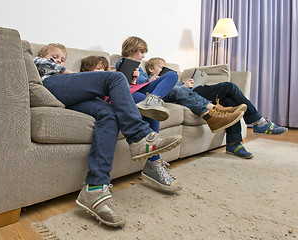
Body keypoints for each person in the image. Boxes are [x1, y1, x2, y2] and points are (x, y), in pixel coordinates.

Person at [34, 43, 183, 228]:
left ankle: (95, 188)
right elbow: (54, 68)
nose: (59, 60)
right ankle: (139, 136)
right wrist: (83, 75)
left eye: (63, 59)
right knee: (116, 77)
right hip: (53, 86)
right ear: (43, 55)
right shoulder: (40, 64)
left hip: (71, 98)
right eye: (54, 56)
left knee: (109, 114)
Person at [145, 57, 288, 159]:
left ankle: (234, 144)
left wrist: (186, 83)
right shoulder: (152, 80)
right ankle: (258, 122)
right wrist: (183, 86)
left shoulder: (170, 78)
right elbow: (174, 93)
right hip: (189, 92)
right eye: (161, 67)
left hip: (193, 90)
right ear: (151, 69)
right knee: (229, 87)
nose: (165, 70)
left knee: (229, 100)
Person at [81, 54, 180, 190]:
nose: (103, 72)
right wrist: (109, 77)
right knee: (149, 109)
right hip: (122, 94)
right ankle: (154, 162)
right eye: (99, 68)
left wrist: (132, 79)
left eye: (104, 69)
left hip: (133, 88)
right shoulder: (87, 83)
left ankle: (152, 100)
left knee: (173, 76)